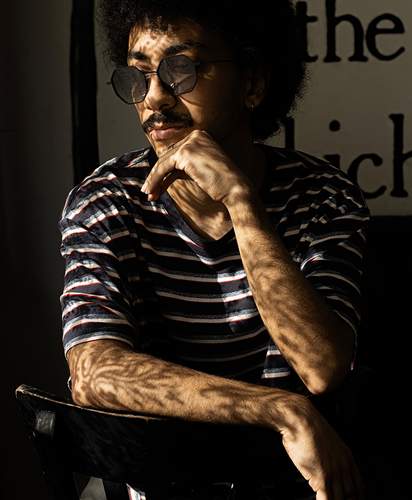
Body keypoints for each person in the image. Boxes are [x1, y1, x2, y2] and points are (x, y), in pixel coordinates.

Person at [59, 1, 370, 498]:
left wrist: (241, 203)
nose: (154, 98)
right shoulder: (106, 201)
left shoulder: (322, 197)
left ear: (253, 84)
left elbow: (321, 368)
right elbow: (94, 373)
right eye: (140, 76)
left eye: (181, 70)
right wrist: (279, 410)